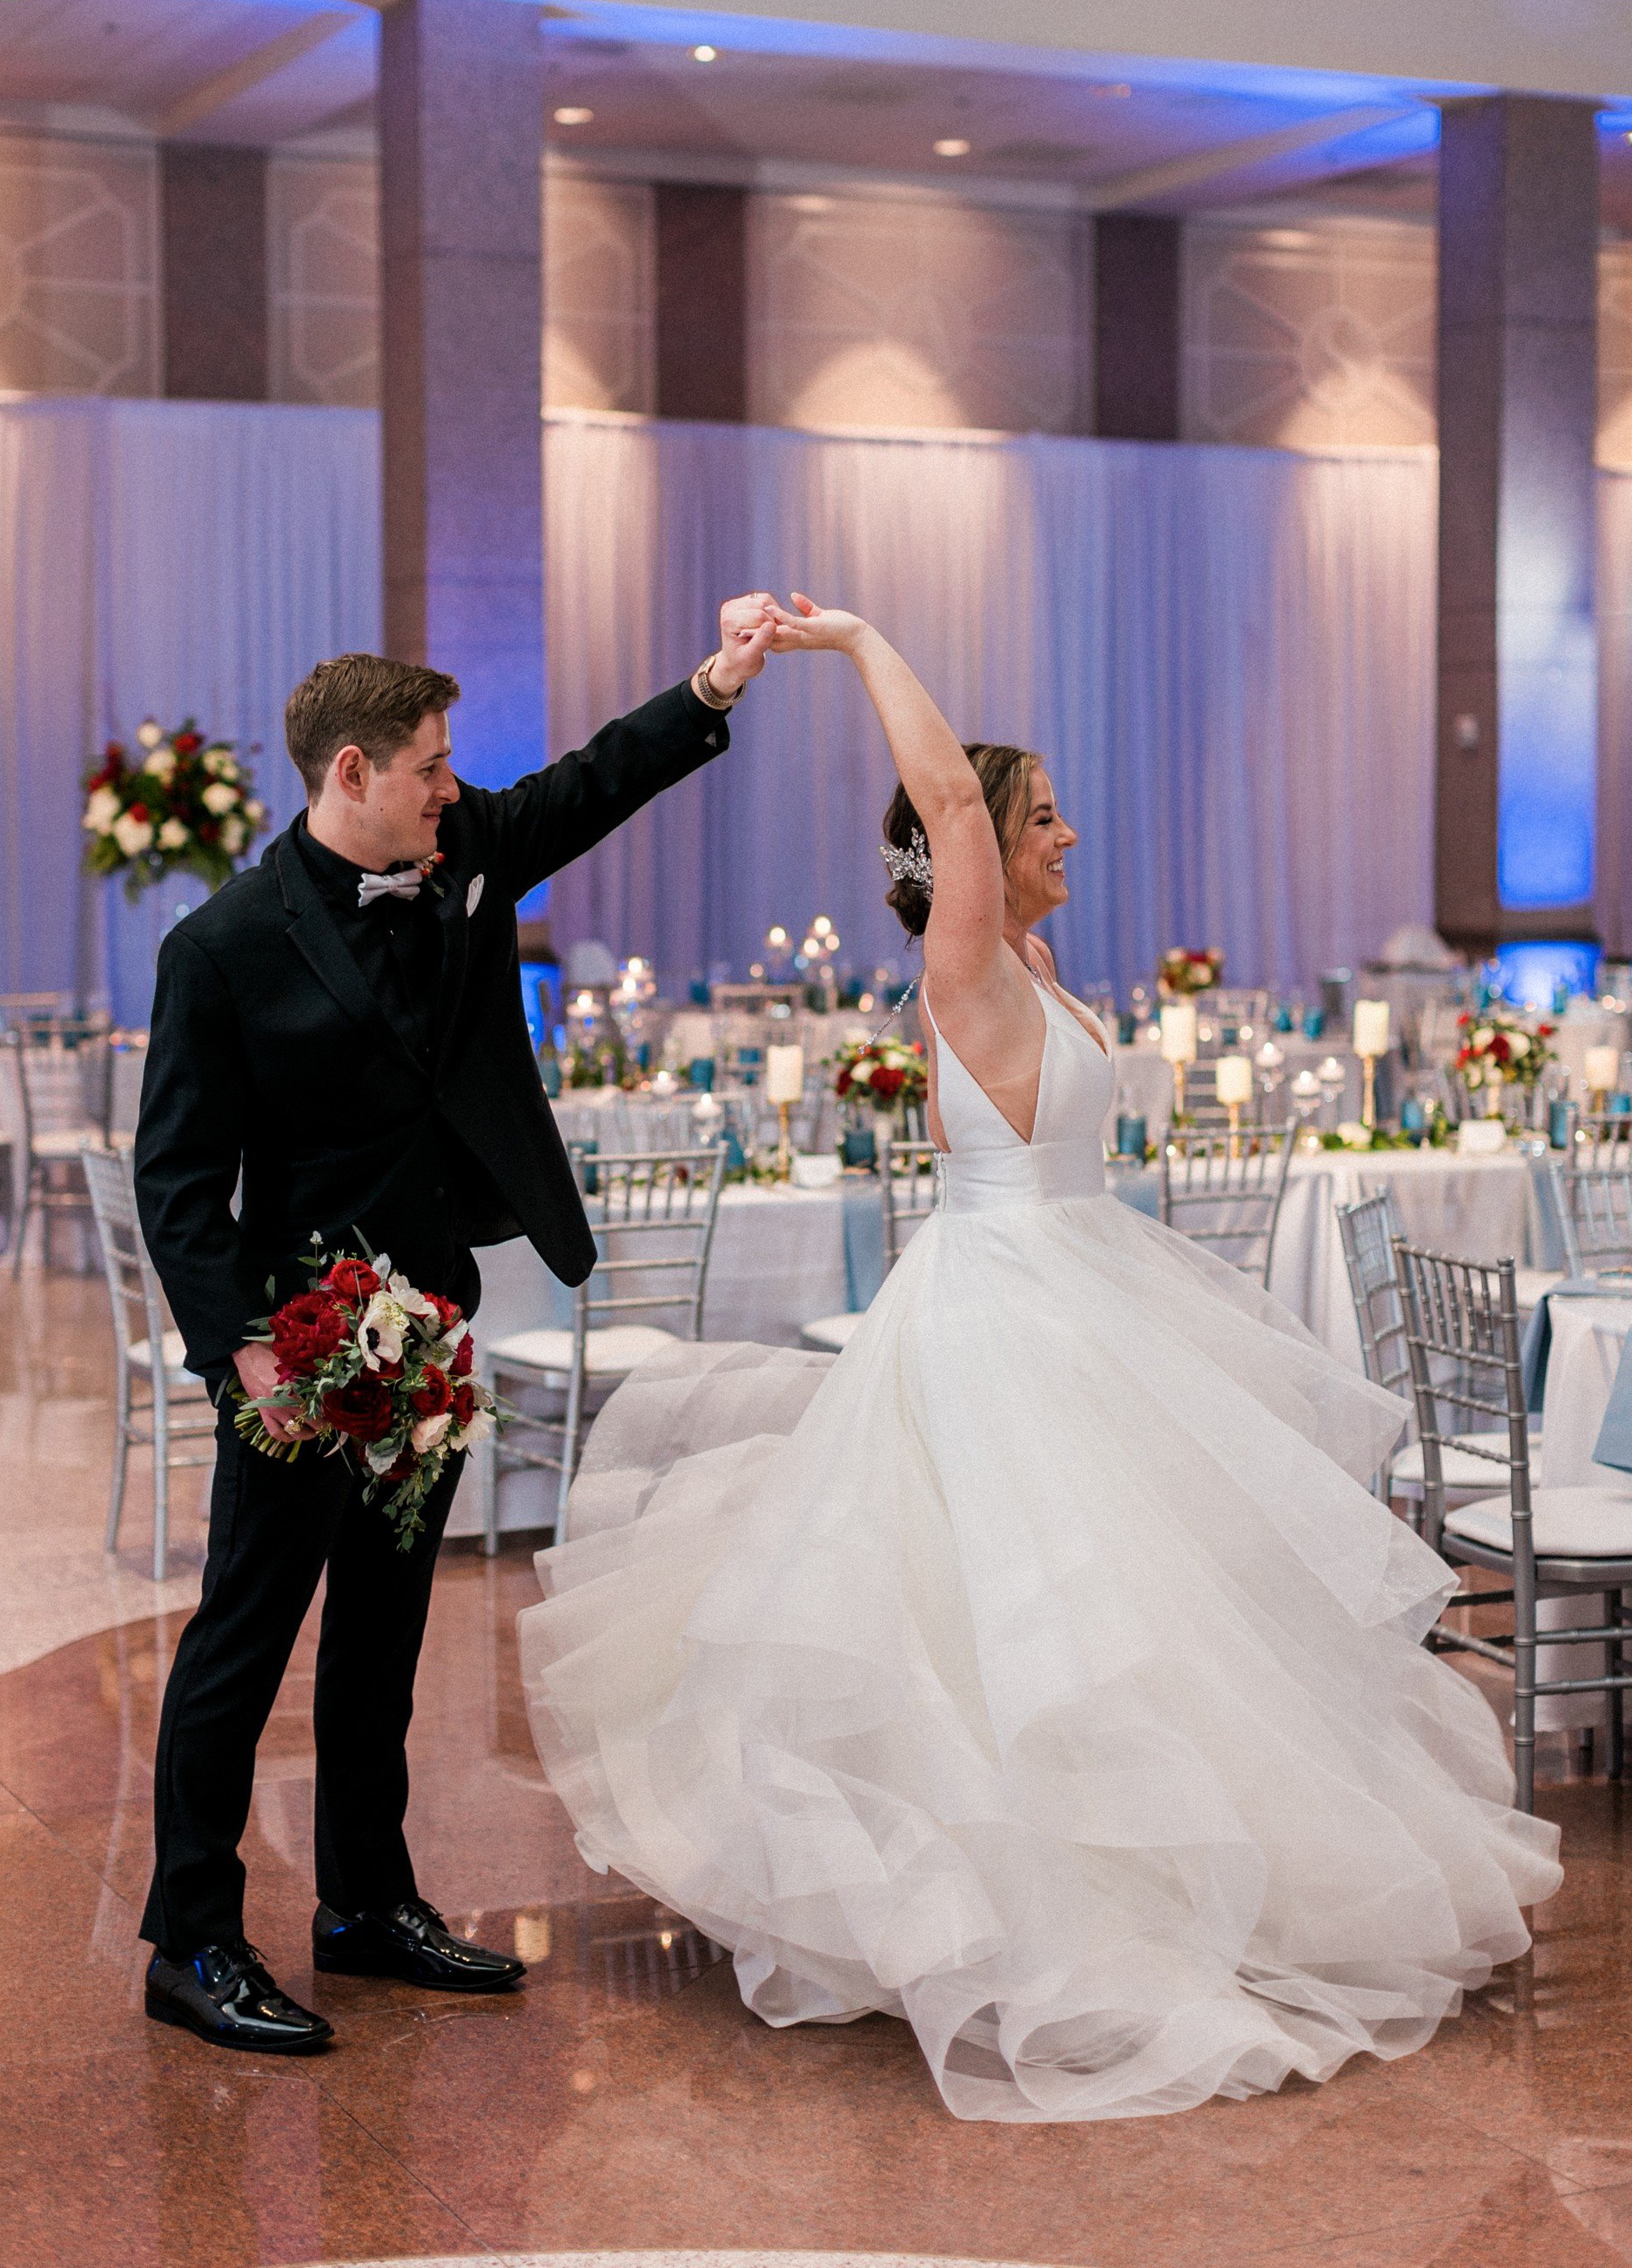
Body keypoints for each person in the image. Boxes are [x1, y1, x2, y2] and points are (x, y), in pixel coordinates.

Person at [519, 595, 1561, 2124]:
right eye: (1044, 817)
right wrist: (862, 643)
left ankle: (1182, 1868)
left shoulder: (1035, 959)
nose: (1067, 836)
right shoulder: (971, 972)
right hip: (1006, 1310)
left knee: (1153, 1610)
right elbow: (942, 793)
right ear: (972, 850)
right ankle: (1050, 1903)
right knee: (1032, 1620)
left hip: (1083, 1289)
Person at [134, 599, 781, 2055]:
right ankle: (190, 1937)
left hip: (428, 1332)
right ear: (351, 772)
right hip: (295, 1353)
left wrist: (716, 682)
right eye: (429, 765)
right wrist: (246, 1351)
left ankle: (366, 1905)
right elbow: (174, 1178)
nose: (455, 787)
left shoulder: (464, 856)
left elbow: (591, 782)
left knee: (384, 1633)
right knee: (242, 1638)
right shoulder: (221, 947)